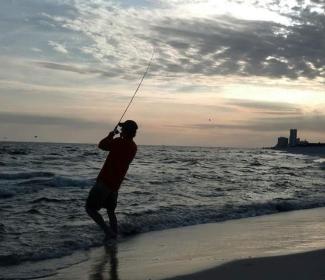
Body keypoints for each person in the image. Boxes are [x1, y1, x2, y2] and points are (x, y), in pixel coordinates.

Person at [86, 120, 138, 238]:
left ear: (126, 131)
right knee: (110, 211)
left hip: (104, 182)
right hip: (115, 185)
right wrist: (117, 137)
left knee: (90, 209)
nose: (121, 130)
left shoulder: (119, 142)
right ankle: (114, 235)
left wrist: (111, 135)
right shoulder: (133, 147)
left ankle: (109, 233)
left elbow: (102, 145)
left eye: (123, 128)